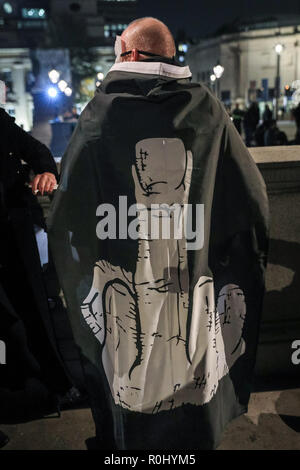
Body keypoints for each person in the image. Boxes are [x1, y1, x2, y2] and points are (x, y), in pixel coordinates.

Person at [48, 17, 269, 450]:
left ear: (128, 55)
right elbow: (251, 199)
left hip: (130, 308)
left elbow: (68, 210)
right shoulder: (207, 108)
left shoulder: (103, 113)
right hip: (195, 297)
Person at [0, 104, 73, 422]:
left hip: (11, 232)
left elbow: (36, 150)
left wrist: (45, 170)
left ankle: (55, 384)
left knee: (34, 309)